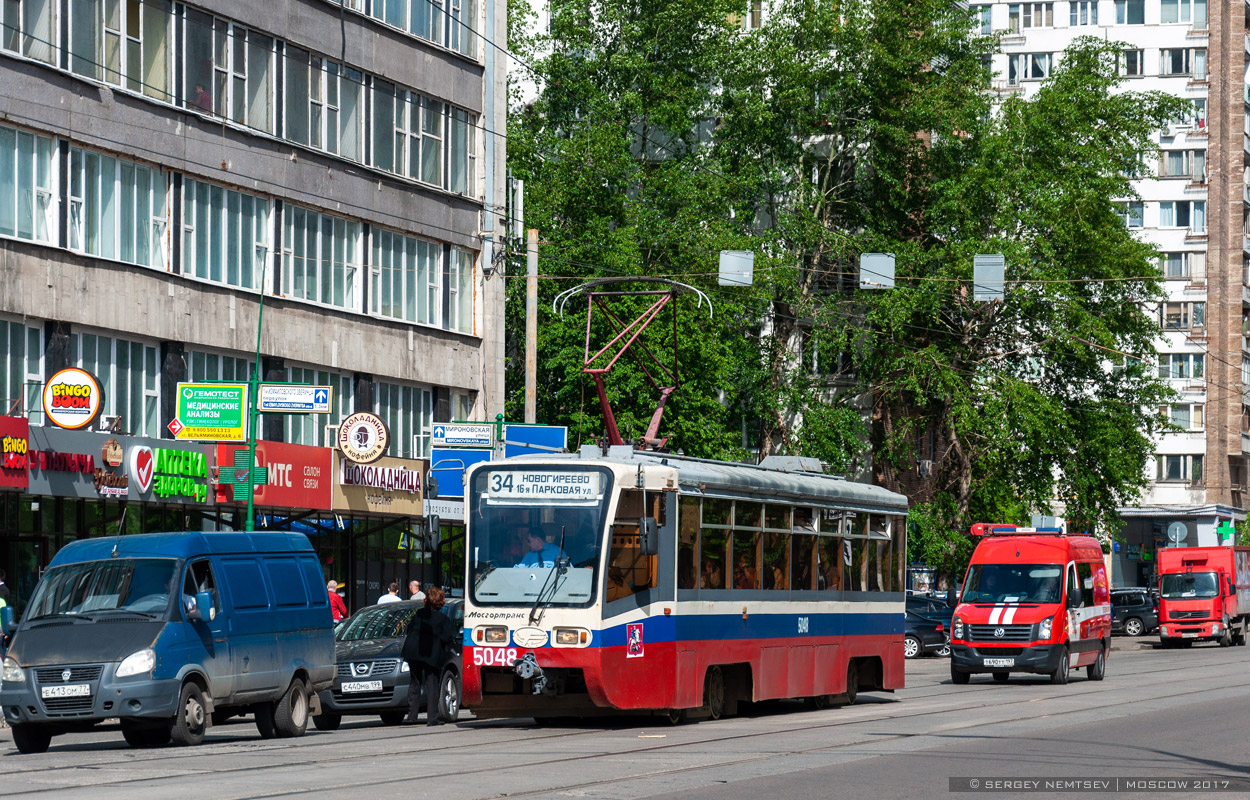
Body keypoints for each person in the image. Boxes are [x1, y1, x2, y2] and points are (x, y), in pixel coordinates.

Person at [401, 586, 455, 726]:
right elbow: (448, 637)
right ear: (440, 602)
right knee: (432, 685)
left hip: (413, 651)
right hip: (431, 653)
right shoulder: (442, 619)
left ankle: (412, 716)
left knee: (415, 682)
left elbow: (409, 629)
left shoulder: (419, 614)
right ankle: (432, 718)